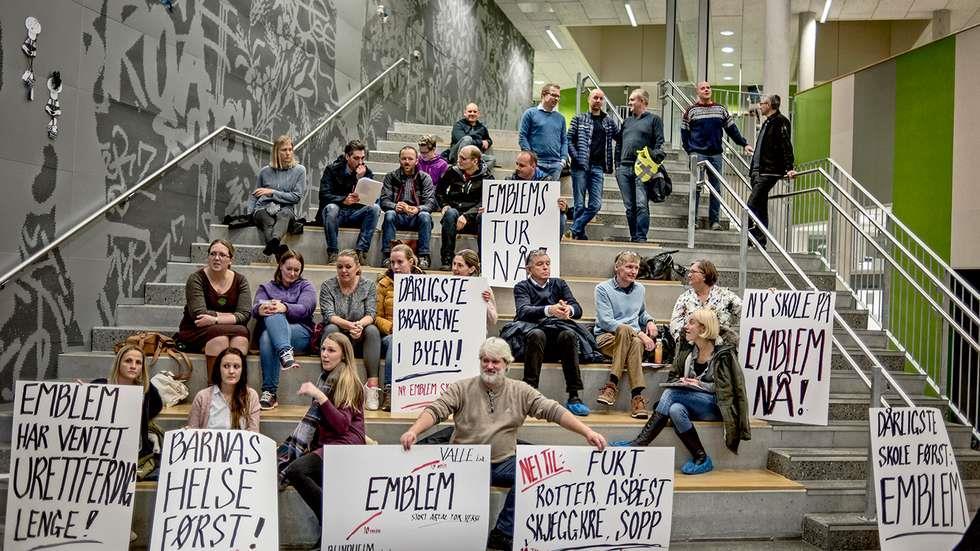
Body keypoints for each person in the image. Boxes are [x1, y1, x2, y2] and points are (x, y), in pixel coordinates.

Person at [399, 337, 607, 551]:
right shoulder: (461, 388)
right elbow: (436, 410)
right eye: (485, 360)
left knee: (537, 472)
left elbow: (552, 410)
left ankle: (502, 532)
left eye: (496, 362)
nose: (489, 366)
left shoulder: (521, 391)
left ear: (507, 364)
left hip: (504, 461)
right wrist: (414, 431)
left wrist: (587, 432)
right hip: (465, 463)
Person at [617, 309, 751, 475]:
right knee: (675, 409)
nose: (686, 327)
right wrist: (682, 382)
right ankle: (702, 457)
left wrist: (700, 384)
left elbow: (728, 390)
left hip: (718, 406)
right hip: (695, 401)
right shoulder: (688, 349)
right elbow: (674, 375)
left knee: (670, 395)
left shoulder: (723, 353)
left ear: (703, 328)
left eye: (691, 323)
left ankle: (640, 442)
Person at [279, 332, 366, 535]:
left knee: (296, 470)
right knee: (305, 473)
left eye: (331, 350)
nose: (325, 355)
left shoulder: (348, 381)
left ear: (343, 356)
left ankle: (332, 524)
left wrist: (319, 396)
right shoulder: (326, 378)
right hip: (329, 445)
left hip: (345, 446)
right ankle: (328, 535)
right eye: (323, 349)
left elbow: (342, 425)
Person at [500, 249, 589, 416]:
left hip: (557, 342)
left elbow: (578, 309)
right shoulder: (522, 287)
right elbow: (523, 311)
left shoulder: (559, 284)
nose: (545, 267)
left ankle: (574, 395)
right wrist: (550, 310)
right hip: (531, 344)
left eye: (548, 264)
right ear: (528, 269)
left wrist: (567, 310)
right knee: (537, 334)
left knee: (569, 334)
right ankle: (529, 393)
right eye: (540, 264)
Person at [594, 250, 659, 418]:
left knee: (636, 342)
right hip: (607, 338)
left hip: (632, 340)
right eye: (629, 267)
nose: (633, 271)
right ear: (617, 267)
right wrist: (639, 333)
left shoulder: (640, 289)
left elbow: (641, 313)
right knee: (624, 330)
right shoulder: (602, 289)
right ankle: (623, 390)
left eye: (636, 268)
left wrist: (650, 321)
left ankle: (627, 393)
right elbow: (606, 321)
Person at [681, 81, 753, 231]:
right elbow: (684, 133)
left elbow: (732, 129)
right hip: (697, 154)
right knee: (696, 188)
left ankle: (715, 221)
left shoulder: (720, 109)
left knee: (716, 188)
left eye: (708, 87)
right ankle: (692, 220)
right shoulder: (690, 111)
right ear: (698, 92)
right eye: (703, 88)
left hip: (716, 154)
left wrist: (744, 143)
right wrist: (690, 151)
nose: (706, 90)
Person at [174, 239, 250, 376]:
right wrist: (230, 317)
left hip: (223, 328)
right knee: (225, 336)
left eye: (222, 255)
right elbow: (199, 314)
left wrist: (215, 320)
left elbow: (244, 314)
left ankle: (235, 388)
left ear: (230, 260)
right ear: (208, 257)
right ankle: (214, 387)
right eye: (213, 254)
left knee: (241, 338)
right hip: (196, 329)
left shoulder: (240, 281)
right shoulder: (196, 279)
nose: (216, 258)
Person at [253, 250, 316, 410]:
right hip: (272, 336)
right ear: (280, 266)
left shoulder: (306, 286)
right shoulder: (266, 287)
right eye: (289, 269)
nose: (293, 273)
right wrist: (260, 309)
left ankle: (269, 391)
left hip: (300, 333)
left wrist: (285, 307)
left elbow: (305, 308)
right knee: (268, 335)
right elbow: (254, 308)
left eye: (297, 270)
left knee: (276, 311)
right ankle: (285, 354)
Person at [319, 249, 382, 410]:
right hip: (339, 336)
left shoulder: (368, 285)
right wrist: (349, 325)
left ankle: (372, 387)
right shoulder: (328, 285)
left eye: (348, 266)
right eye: (340, 267)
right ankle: (328, 383)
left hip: (360, 337)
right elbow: (329, 315)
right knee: (331, 329)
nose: (344, 270)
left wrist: (359, 325)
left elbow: (371, 314)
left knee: (373, 330)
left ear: (357, 267)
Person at [91, 345, 164, 469]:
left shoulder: (147, 390)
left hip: (134, 451)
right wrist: (79, 393)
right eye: (128, 361)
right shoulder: (99, 386)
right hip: (101, 449)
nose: (133, 366)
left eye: (138, 362)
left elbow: (157, 406)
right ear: (119, 363)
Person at [376, 243, 425, 410]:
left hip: (417, 335)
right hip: (390, 336)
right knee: (396, 340)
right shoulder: (383, 284)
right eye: (392, 262)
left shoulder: (428, 283)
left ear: (411, 261)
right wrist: (391, 327)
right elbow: (375, 316)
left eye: (400, 262)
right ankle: (390, 392)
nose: (395, 267)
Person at [318, 139, 381, 264]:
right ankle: (333, 252)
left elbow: (371, 199)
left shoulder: (366, 172)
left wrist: (360, 178)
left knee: (375, 208)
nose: (360, 162)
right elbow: (324, 195)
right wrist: (343, 200)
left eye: (363, 158)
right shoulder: (332, 170)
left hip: (355, 213)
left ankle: (361, 251)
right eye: (356, 158)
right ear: (347, 156)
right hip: (337, 212)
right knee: (331, 208)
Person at [567, 89, 619, 240]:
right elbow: (568, 140)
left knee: (596, 204)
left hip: (598, 167)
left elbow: (620, 137)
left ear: (603, 102)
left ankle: (574, 230)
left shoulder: (608, 121)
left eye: (601, 98)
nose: (598, 100)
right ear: (589, 99)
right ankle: (579, 235)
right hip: (580, 167)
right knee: (579, 204)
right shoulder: (578, 118)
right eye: (595, 97)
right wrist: (576, 157)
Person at [616, 88, 664, 243]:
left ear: (642, 101)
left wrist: (652, 160)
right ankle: (634, 236)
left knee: (641, 204)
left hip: (642, 168)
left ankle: (641, 237)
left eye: (632, 99)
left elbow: (659, 143)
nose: (629, 103)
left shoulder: (654, 119)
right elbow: (619, 144)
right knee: (630, 207)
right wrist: (617, 165)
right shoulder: (627, 121)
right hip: (623, 168)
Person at [748, 94, 795, 248]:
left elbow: (786, 144)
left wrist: (789, 168)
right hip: (758, 170)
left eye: (762, 103)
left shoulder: (780, 121)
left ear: (769, 105)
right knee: (760, 207)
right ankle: (760, 241)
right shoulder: (767, 122)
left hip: (769, 171)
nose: (759, 106)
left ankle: (749, 235)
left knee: (750, 205)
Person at [247, 134, 305, 258]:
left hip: (285, 209)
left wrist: (272, 192)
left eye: (290, 149)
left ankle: (275, 245)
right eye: (284, 150)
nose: (288, 153)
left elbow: (296, 197)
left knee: (284, 214)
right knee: (267, 219)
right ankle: (278, 248)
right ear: (276, 152)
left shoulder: (300, 170)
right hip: (263, 208)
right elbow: (255, 194)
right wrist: (250, 214)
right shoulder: (265, 171)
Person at [437, 144, 493, 269]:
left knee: (483, 218)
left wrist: (467, 215)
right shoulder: (452, 171)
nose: (458, 161)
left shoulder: (487, 177)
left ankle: (483, 260)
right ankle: (447, 260)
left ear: (475, 161)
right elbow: (439, 192)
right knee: (450, 213)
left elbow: (485, 201)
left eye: (463, 158)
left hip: (474, 216)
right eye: (458, 157)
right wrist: (444, 205)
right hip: (455, 213)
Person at [380, 146, 436, 269]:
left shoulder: (424, 178)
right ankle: (387, 256)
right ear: (399, 160)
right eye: (404, 158)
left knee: (425, 215)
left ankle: (423, 256)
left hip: (416, 217)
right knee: (389, 214)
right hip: (398, 215)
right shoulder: (391, 176)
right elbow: (384, 201)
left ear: (416, 161)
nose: (406, 161)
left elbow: (431, 203)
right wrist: (395, 206)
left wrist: (418, 209)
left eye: (410, 159)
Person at [187, 347, 260, 431]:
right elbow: (193, 431)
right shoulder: (202, 396)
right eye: (226, 366)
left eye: (236, 366)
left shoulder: (251, 396)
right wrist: (188, 432)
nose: (231, 371)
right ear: (218, 369)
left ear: (242, 370)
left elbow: (253, 433)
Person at [670, 259, 742, 342]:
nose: (689, 275)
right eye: (690, 272)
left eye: (693, 272)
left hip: (720, 347)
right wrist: (686, 341)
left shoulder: (725, 295)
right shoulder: (684, 298)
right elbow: (674, 325)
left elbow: (744, 312)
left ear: (704, 276)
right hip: (692, 347)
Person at [507, 150, 569, 240]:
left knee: (561, 217)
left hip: (538, 220)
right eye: (517, 164)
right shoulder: (509, 180)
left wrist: (564, 207)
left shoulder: (547, 181)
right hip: (517, 219)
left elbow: (555, 207)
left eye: (521, 165)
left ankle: (551, 250)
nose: (517, 168)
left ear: (533, 166)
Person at [518, 83, 568, 180]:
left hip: (555, 165)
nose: (556, 99)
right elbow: (523, 137)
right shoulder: (530, 113)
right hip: (537, 164)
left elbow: (564, 141)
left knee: (552, 195)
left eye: (558, 96)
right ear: (543, 95)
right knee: (533, 194)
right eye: (553, 95)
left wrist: (563, 160)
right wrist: (530, 159)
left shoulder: (561, 118)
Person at [451, 249, 497, 331]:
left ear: (471, 269)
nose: (455, 268)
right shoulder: (446, 286)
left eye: (460, 265)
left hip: (473, 335)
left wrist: (485, 303)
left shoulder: (482, 287)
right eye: (454, 264)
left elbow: (493, 320)